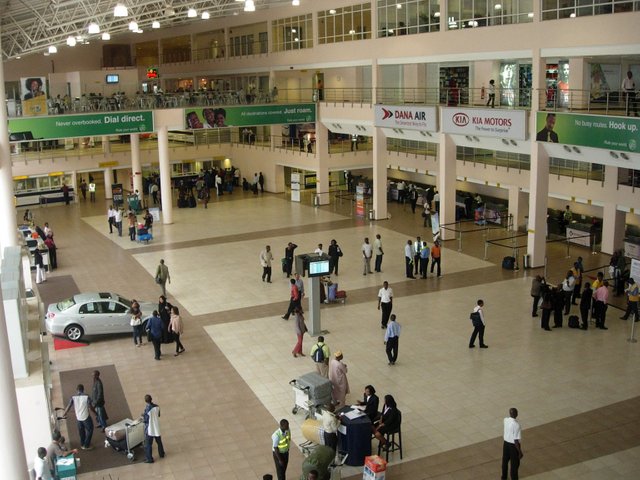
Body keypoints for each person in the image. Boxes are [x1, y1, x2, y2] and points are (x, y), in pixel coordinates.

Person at [62, 384, 93, 450]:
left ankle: (82, 444)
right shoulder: (87, 396)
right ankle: (86, 445)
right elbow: (90, 406)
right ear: (83, 389)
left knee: (81, 431)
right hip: (86, 416)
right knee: (90, 429)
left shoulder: (73, 397)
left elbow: (69, 406)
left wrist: (64, 413)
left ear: (77, 390)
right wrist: (96, 413)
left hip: (78, 417)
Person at [501, 408, 523, 480]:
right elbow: (516, 440)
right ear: (516, 414)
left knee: (505, 462)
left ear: (510, 413)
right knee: (514, 465)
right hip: (513, 446)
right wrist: (519, 452)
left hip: (505, 444)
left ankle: (503, 477)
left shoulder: (505, 420)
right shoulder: (516, 425)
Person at [142, 394, 165, 463]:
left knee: (148, 444)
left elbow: (146, 420)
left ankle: (149, 459)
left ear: (146, 401)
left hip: (150, 429)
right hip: (156, 427)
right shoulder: (157, 406)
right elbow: (158, 415)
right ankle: (161, 454)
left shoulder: (147, 409)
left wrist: (143, 415)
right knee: (159, 442)